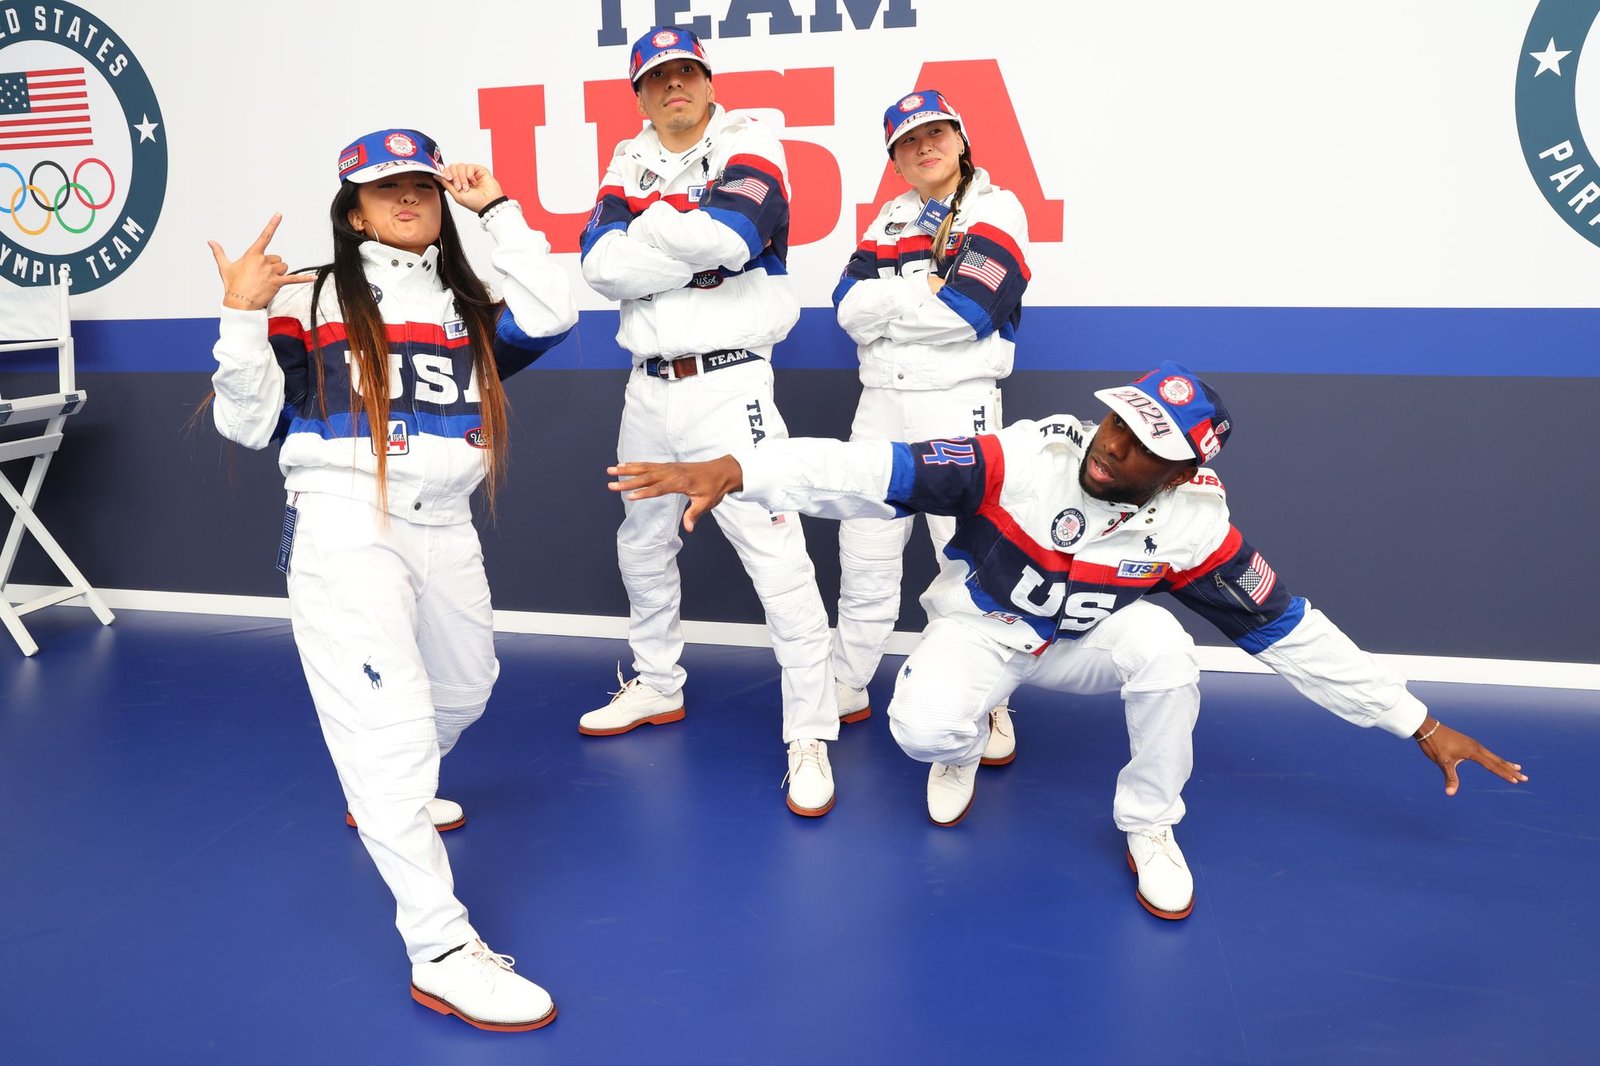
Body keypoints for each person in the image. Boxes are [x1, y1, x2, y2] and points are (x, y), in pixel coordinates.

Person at [604, 361, 1528, 920]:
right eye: (1123, 419)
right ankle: (969, 736)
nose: (1115, 445)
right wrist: (742, 468)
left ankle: (1151, 828)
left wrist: (1416, 722)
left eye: (1146, 442)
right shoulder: (1023, 457)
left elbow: (1292, 633)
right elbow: (866, 471)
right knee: (920, 729)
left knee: (1167, 646)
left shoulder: (1197, 527)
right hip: (981, 628)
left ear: (1183, 471)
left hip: (1082, 644)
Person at [207, 129, 577, 1030]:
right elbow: (244, 425)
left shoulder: (466, 301)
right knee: (395, 733)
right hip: (346, 524)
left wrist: (500, 211)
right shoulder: (314, 296)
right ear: (353, 208)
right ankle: (442, 950)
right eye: (384, 189)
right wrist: (243, 316)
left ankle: (385, 790)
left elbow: (556, 313)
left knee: (468, 688)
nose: (407, 198)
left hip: (445, 524)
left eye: (420, 185)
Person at [576, 27, 842, 817]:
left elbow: (736, 234)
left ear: (706, 79)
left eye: (686, 72)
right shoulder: (627, 156)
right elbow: (598, 264)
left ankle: (810, 732)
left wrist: (648, 231)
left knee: (776, 554)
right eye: (657, 78)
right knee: (642, 540)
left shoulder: (748, 135)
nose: (673, 87)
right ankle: (658, 683)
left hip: (730, 384)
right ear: (640, 93)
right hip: (647, 390)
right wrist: (688, 244)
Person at [831, 89, 1030, 767]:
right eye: (909, 141)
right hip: (880, 404)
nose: (925, 146)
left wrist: (893, 305)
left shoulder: (996, 209)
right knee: (864, 559)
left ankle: (985, 699)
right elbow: (845, 308)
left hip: (958, 404)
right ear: (895, 159)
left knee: (966, 563)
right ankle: (848, 681)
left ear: (961, 138)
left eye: (936, 132)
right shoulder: (887, 219)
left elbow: (969, 312)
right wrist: (922, 287)